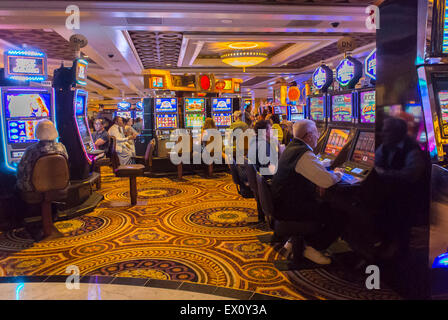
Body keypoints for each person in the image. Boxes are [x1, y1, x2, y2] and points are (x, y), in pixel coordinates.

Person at [271, 120, 344, 265]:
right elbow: (327, 181)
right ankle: (313, 247)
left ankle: (296, 241)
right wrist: (339, 173)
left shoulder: (293, 148)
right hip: (291, 209)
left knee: (325, 203)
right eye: (317, 132)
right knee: (339, 213)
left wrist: (326, 165)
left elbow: (310, 165)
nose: (319, 135)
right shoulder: (303, 154)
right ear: (309, 135)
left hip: (283, 204)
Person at [373, 117, 430, 259]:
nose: (382, 134)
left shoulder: (412, 148)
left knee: (394, 206)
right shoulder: (386, 146)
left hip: (412, 193)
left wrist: (385, 174)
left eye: (386, 131)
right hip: (393, 189)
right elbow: (376, 163)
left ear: (397, 133)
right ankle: (385, 241)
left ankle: (399, 248)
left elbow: (411, 175)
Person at [16, 120, 68, 193]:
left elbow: (20, 170)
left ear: (37, 132)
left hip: (33, 189)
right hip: (60, 187)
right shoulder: (61, 147)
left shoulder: (31, 150)